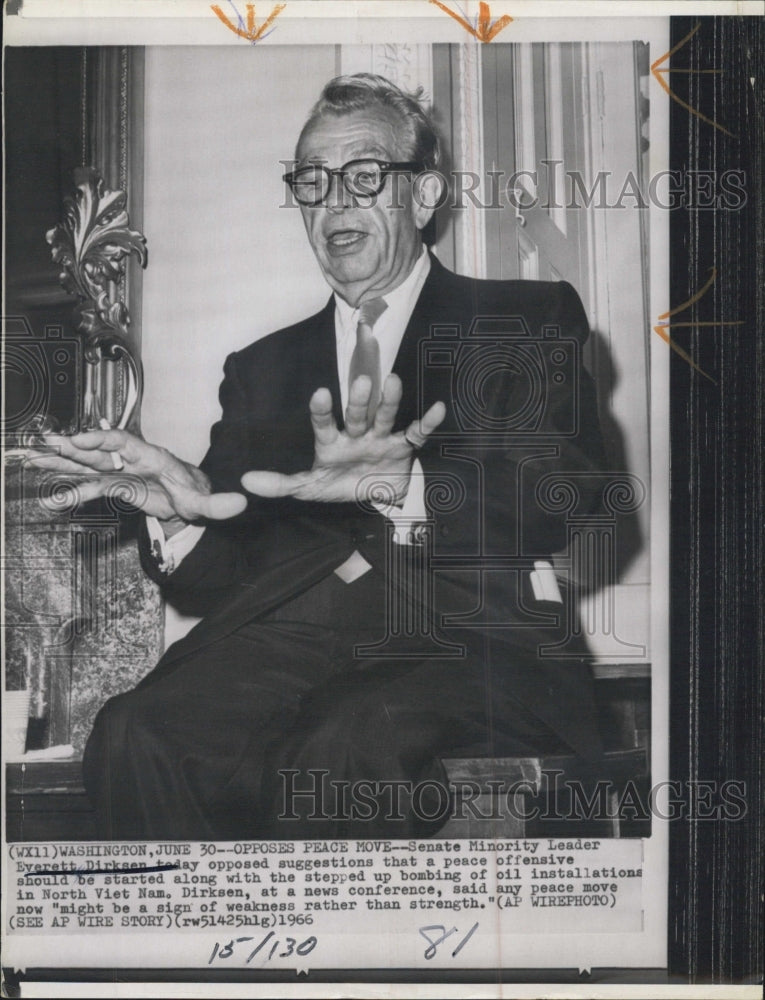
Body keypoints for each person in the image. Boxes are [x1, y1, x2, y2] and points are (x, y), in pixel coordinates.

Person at [29, 73, 609, 840]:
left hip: (470, 640)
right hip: (290, 642)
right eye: (311, 180)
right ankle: (202, 957)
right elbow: (217, 581)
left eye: (363, 176)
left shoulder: (520, 320)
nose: (333, 202)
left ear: (425, 194)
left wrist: (408, 484)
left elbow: (568, 494)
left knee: (342, 749)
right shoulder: (263, 367)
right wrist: (182, 516)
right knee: (139, 729)